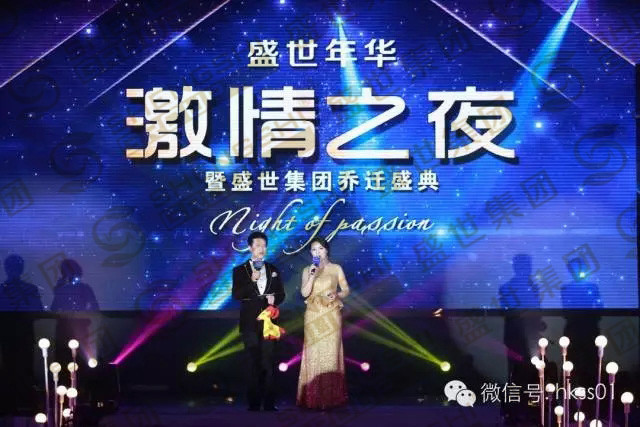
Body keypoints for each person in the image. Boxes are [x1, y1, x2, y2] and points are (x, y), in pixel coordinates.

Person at [232, 231, 285, 411]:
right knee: (252, 363)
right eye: (257, 245)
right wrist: (251, 281)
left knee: (269, 362)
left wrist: (275, 299)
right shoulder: (240, 270)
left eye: (263, 246)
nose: (261, 249)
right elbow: (237, 295)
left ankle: (269, 403)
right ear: (250, 248)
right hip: (250, 323)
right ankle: (254, 403)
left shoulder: (273, 269)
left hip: (269, 323)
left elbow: (281, 294)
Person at [297, 237, 349, 409]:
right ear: (310, 253)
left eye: (320, 248)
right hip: (313, 313)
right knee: (314, 353)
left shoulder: (336, 268)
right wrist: (312, 275)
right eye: (314, 249)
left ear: (326, 250)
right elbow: (304, 293)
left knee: (330, 354)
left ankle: (331, 399)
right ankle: (312, 399)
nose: (317, 252)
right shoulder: (307, 269)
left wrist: (337, 295)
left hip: (331, 313)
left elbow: (346, 289)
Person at [0, 255, 43, 414]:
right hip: (16, 334)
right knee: (19, 368)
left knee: (13, 368)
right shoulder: (30, 289)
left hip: (14, 334)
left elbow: (38, 311)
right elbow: (38, 311)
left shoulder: (27, 289)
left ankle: (14, 404)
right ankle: (19, 403)